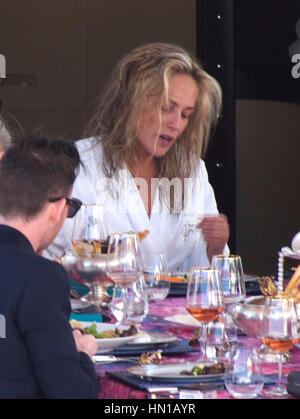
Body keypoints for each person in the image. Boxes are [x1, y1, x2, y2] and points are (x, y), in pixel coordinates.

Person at [44, 42, 230, 272]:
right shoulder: (78, 165)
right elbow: (43, 259)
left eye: (185, 115)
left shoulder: (192, 171)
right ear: (130, 102)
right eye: (165, 108)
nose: (176, 123)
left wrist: (215, 247)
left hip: (177, 308)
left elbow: (204, 282)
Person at [0, 135, 99, 399]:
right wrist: (82, 355)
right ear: (57, 209)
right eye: (71, 207)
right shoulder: (40, 277)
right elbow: (73, 394)